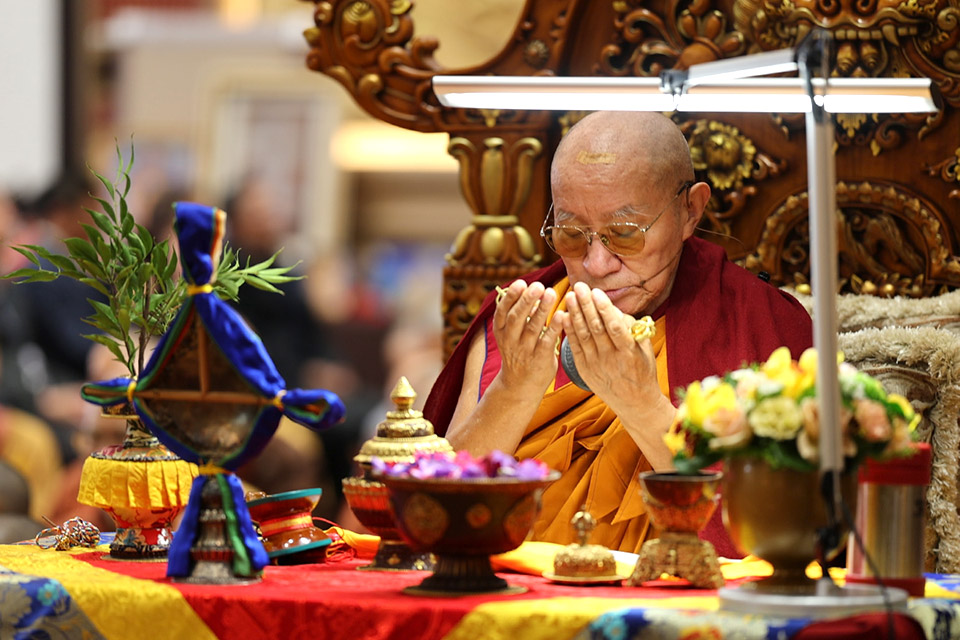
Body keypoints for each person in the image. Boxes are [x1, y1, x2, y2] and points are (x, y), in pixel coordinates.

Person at [423, 111, 813, 556]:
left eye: (625, 234)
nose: (596, 264)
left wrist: (642, 406)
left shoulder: (758, 322)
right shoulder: (526, 315)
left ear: (691, 210)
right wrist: (513, 389)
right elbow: (437, 514)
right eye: (571, 234)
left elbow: (774, 532)